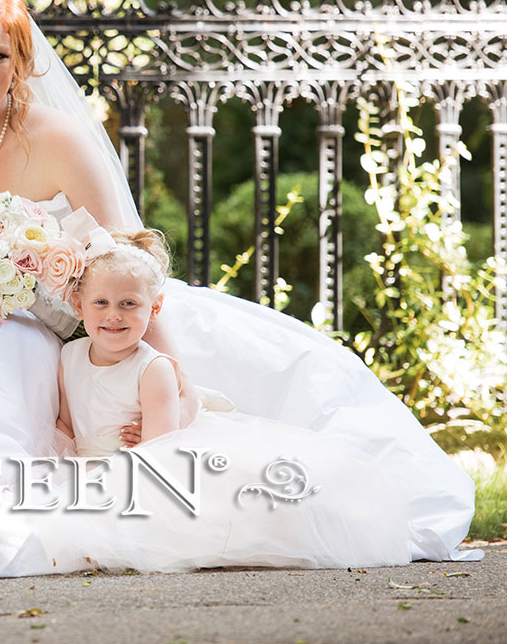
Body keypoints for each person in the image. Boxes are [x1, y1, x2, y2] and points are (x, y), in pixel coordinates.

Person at [0, 0, 477, 584]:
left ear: (22, 64)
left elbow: (128, 255)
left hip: (69, 317)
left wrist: (166, 365)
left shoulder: (56, 138)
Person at [55, 227, 410, 570]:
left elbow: (158, 454)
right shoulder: (69, 358)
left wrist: (106, 475)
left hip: (147, 470)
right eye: (100, 302)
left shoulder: (154, 369)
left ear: (155, 308)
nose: (113, 314)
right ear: (78, 303)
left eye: (128, 304)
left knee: (247, 517)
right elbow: (67, 426)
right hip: (93, 467)